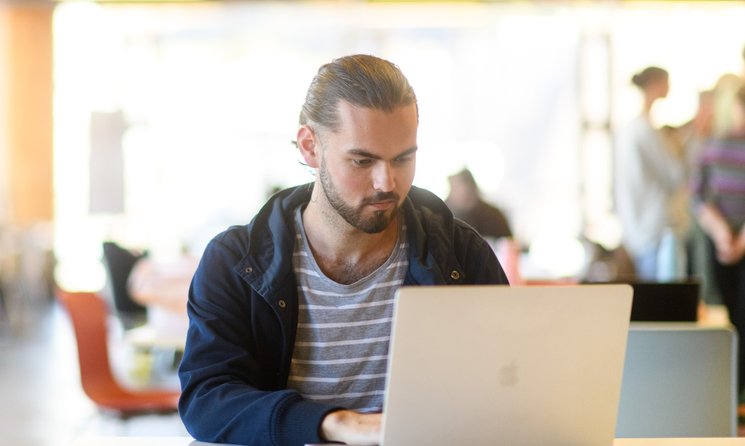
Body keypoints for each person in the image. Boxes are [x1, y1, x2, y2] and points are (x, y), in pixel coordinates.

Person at [177, 54, 509, 446]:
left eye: (403, 158)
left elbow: (504, 386)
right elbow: (206, 400)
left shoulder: (461, 254)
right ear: (309, 147)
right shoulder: (235, 261)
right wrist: (338, 424)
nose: (386, 182)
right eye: (362, 160)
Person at [692, 83, 745, 394]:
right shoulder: (713, 144)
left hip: (739, 241)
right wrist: (722, 232)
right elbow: (698, 196)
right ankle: (733, 388)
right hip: (721, 240)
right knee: (728, 312)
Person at [614, 66, 686, 280]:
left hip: (637, 227)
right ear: (655, 85)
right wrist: (680, 147)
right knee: (664, 304)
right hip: (654, 229)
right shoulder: (646, 131)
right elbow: (675, 175)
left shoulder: (629, 129)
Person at [445, 167, 512, 241]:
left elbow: (509, 244)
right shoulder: (444, 217)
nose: (462, 193)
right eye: (456, 188)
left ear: (473, 188)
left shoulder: (493, 215)